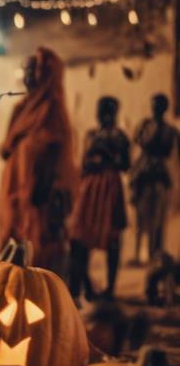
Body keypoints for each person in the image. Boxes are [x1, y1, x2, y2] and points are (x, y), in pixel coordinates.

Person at [0, 47, 77, 274]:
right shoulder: (20, 108)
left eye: (33, 70)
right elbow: (6, 147)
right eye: (25, 71)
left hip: (39, 190)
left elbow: (56, 148)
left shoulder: (51, 107)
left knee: (40, 245)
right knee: (13, 238)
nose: (28, 76)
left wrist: (43, 183)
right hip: (15, 185)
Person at [68, 97, 130, 301]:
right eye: (101, 109)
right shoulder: (92, 135)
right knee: (80, 236)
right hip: (90, 189)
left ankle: (110, 288)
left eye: (108, 110)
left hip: (110, 189)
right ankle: (84, 286)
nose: (103, 114)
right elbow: (85, 162)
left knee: (112, 238)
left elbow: (125, 164)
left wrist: (107, 156)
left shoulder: (120, 136)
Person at [131, 93, 178, 262]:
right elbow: (140, 141)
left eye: (158, 106)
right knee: (141, 218)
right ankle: (139, 254)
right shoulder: (145, 125)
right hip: (143, 177)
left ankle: (155, 255)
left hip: (159, 178)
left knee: (158, 220)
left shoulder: (170, 131)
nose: (155, 110)